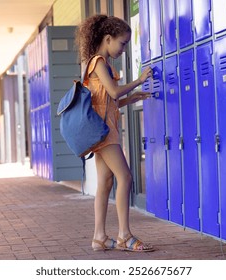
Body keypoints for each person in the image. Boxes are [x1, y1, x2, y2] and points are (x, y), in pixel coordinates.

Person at [75, 14, 154, 252]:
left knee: (106, 182)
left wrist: (132, 98)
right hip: (104, 133)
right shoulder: (98, 61)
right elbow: (113, 91)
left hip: (102, 130)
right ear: (108, 38)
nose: (124, 49)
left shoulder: (101, 64)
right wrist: (139, 81)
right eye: (122, 43)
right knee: (126, 177)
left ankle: (99, 236)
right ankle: (124, 235)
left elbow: (108, 101)